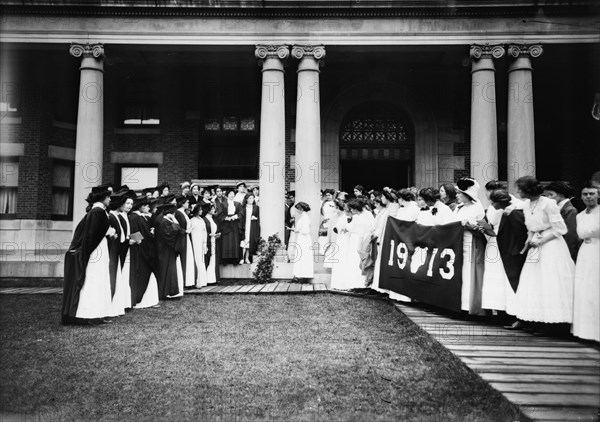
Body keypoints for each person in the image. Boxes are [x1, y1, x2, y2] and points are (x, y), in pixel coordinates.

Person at [513, 176, 575, 334]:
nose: (518, 192)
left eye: (520, 189)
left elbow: (560, 229)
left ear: (529, 189)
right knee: (534, 282)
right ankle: (535, 319)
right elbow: (531, 227)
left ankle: (552, 324)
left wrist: (541, 241)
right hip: (535, 245)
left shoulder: (548, 203)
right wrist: (529, 240)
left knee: (549, 282)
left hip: (551, 245)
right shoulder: (527, 204)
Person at [62, 184, 115, 325]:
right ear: (102, 197)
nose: (110, 199)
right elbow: (91, 235)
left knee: (100, 279)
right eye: (108, 196)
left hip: (99, 249)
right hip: (95, 252)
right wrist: (108, 232)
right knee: (93, 279)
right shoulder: (97, 212)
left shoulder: (99, 211)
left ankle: (97, 313)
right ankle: (88, 314)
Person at [481, 190, 527, 320]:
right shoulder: (504, 211)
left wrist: (516, 250)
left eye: (493, 202)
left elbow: (520, 233)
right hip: (501, 247)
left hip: (510, 250)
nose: (491, 205)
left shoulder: (513, 213)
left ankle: (514, 314)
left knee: (510, 281)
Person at [454, 177, 486, 315]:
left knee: (470, 274)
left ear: (467, 195)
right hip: (458, 243)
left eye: (459, 193)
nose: (457, 195)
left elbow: (478, 224)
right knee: (461, 274)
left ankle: (472, 307)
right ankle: (460, 305)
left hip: (472, 242)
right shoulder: (458, 208)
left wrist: (468, 224)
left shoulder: (477, 206)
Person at [572, 182, 599, 342]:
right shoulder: (580, 215)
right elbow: (580, 233)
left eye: (592, 194)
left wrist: (589, 233)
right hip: (586, 253)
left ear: (598, 195)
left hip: (598, 250)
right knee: (585, 289)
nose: (588, 197)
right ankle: (585, 331)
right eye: (585, 194)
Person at [129, 196, 159, 309]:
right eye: (146, 206)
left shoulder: (143, 217)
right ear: (141, 206)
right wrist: (139, 240)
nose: (148, 208)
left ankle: (148, 300)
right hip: (140, 249)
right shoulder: (134, 217)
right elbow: (134, 231)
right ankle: (139, 300)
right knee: (141, 274)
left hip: (146, 248)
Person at [544, 181, 582, 262]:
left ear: (561, 195)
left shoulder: (570, 210)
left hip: (566, 251)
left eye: (551, 195)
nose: (549, 198)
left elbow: (571, 236)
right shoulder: (558, 208)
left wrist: (567, 255)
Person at [156, 203, 184, 299]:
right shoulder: (164, 222)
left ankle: (169, 291)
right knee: (166, 270)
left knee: (169, 269)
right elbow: (175, 231)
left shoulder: (166, 221)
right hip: (165, 249)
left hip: (168, 249)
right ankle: (165, 292)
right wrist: (175, 220)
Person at [345, 199, 375, 289]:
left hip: (365, 239)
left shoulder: (366, 215)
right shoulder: (360, 216)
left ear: (356, 208)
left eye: (352, 209)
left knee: (363, 260)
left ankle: (362, 283)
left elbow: (369, 229)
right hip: (359, 238)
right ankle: (354, 283)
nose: (351, 211)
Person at [174, 195, 196, 289]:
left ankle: (189, 281)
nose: (188, 204)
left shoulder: (183, 212)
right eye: (187, 202)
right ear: (182, 203)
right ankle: (184, 281)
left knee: (188, 258)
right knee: (184, 258)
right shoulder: (178, 213)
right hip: (182, 238)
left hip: (186, 238)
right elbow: (175, 226)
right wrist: (185, 231)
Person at [291, 202, 314, 280]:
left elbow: (305, 231)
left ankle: (303, 275)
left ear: (301, 209)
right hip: (302, 238)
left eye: (298, 209)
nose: (297, 211)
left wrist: (297, 231)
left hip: (304, 239)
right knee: (301, 256)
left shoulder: (305, 217)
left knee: (303, 256)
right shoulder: (303, 217)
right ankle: (299, 275)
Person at [219, 190, 242, 264]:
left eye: (233, 194)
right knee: (226, 241)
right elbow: (220, 213)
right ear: (227, 195)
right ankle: (225, 259)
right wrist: (226, 218)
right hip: (226, 224)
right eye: (230, 193)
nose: (232, 195)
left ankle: (234, 259)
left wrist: (236, 216)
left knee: (234, 240)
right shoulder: (223, 204)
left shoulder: (237, 204)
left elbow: (241, 213)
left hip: (234, 223)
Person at [189, 203, 209, 288]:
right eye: (200, 209)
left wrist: (205, 243)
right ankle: (197, 281)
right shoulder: (192, 220)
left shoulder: (201, 219)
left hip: (201, 241)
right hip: (195, 241)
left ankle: (203, 280)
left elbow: (204, 231)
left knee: (201, 259)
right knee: (197, 259)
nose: (201, 211)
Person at [202, 202, 221, 284]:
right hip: (208, 241)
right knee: (209, 258)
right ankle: (207, 278)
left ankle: (213, 278)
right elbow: (204, 231)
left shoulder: (213, 219)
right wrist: (210, 235)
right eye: (212, 209)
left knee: (214, 259)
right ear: (208, 210)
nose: (214, 210)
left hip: (214, 240)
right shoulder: (204, 219)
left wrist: (217, 234)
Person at [240, 193, 260, 264]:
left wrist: (255, 218)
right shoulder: (242, 207)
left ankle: (247, 258)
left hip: (252, 226)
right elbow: (240, 217)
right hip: (244, 225)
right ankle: (241, 258)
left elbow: (258, 218)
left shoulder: (256, 207)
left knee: (249, 242)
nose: (252, 200)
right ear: (246, 199)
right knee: (243, 241)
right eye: (250, 198)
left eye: (253, 198)